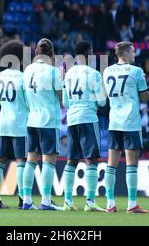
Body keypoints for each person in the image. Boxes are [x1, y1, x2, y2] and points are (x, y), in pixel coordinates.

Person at [103, 41, 149, 213]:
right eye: (132, 51)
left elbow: (106, 95)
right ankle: (131, 204)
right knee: (131, 163)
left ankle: (110, 203)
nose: (134, 54)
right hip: (130, 122)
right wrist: (145, 85)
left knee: (111, 164)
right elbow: (144, 98)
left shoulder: (107, 71)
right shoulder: (136, 71)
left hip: (114, 121)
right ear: (124, 53)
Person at [61, 41, 106, 212]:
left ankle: (68, 201)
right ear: (88, 53)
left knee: (71, 160)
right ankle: (90, 202)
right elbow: (101, 101)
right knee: (91, 160)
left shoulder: (69, 73)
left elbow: (65, 102)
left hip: (72, 119)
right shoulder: (93, 74)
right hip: (88, 117)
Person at [22, 38, 63, 211]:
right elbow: (62, 99)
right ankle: (46, 200)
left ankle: (26, 200)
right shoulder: (53, 72)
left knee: (30, 160)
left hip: (32, 120)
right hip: (48, 121)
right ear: (52, 54)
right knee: (48, 160)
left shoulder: (27, 70)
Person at [0, 40, 28, 209]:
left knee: (0, 160)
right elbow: (28, 102)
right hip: (20, 122)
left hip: (4, 121)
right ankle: (22, 199)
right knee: (21, 160)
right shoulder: (23, 77)